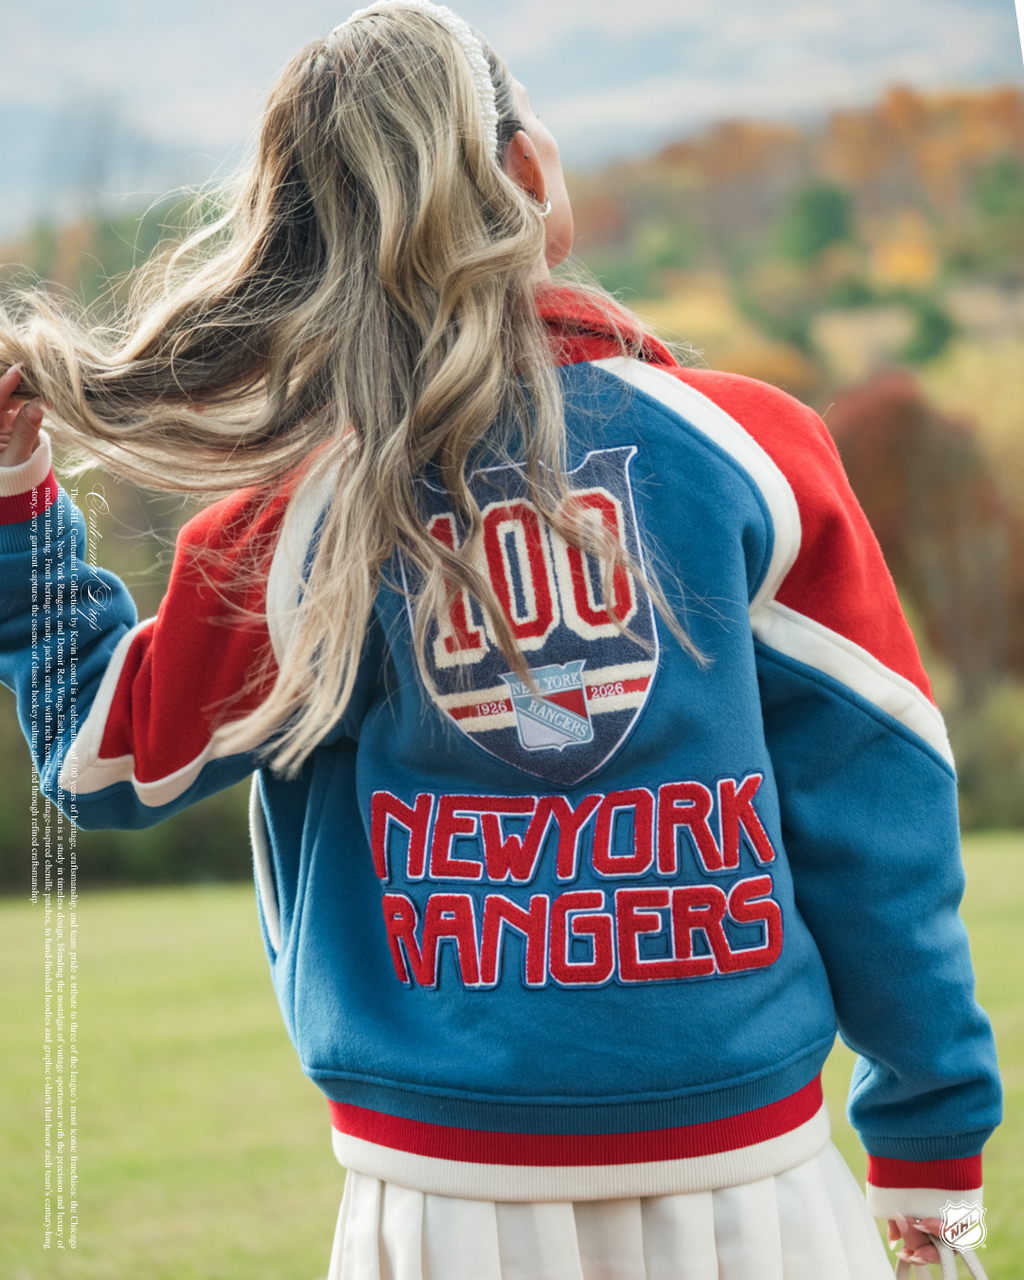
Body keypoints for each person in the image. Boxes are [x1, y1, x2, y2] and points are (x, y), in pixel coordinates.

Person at [0, 3, 1001, 1276]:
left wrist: (19, 498)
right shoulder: (751, 455)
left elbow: (100, 757)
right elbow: (882, 807)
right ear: (529, 175)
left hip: (436, 1213)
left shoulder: (308, 517)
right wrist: (929, 1147)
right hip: (762, 1193)